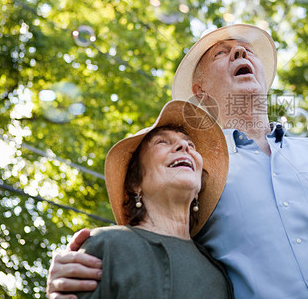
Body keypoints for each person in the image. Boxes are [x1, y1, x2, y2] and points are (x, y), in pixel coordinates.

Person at [47, 24, 308, 298]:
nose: (240, 55)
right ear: (200, 91)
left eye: (247, 51)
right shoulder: (197, 173)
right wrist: (90, 263)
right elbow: (163, 242)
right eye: (222, 54)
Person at [69, 100, 233, 298]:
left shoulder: (217, 276)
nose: (184, 146)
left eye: (191, 144)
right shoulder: (105, 246)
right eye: (162, 141)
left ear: (198, 189)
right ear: (134, 182)